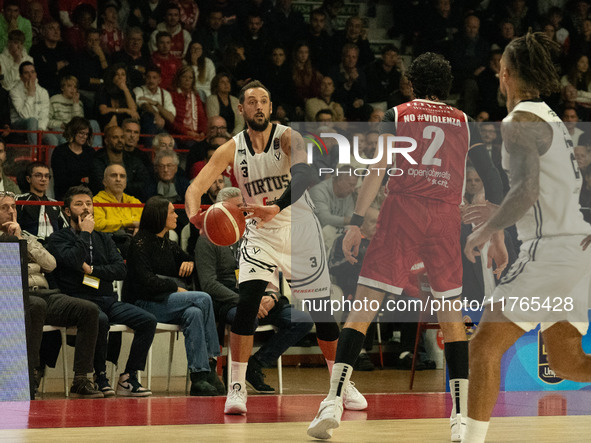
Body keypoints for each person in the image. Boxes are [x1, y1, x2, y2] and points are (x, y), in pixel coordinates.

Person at [307, 52, 505, 441]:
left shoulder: (396, 114)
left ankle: (332, 401)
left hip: (402, 212)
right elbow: (494, 182)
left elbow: (378, 168)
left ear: (410, 84)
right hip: (447, 216)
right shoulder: (466, 122)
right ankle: (462, 418)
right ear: (447, 86)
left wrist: (355, 222)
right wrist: (494, 230)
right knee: (452, 315)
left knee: (363, 303)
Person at [185, 80, 367, 415]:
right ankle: (237, 388)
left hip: (298, 227)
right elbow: (196, 186)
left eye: (264, 101)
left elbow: (304, 175)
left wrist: (277, 206)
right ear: (241, 109)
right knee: (248, 302)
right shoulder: (231, 148)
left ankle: (341, 384)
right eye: (251, 101)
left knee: (322, 314)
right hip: (259, 230)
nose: (258, 106)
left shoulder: (288, 137)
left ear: (270, 107)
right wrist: (194, 216)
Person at [462, 32, 591, 443]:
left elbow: (527, 191)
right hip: (576, 252)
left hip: (549, 250)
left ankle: (471, 440)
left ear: (504, 75)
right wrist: (501, 215)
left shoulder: (518, 121)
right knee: (569, 362)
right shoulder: (552, 118)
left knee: (482, 348)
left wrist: (487, 228)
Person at [197, 186, 314, 393]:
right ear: (220, 209)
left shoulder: (256, 229)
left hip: (261, 299)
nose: (240, 213)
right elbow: (209, 283)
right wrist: (246, 301)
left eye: (242, 208)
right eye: (233, 209)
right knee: (247, 317)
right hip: (229, 302)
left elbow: (273, 266)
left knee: (302, 320)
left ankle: (256, 364)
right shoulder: (208, 238)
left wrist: (272, 295)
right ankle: (237, 376)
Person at [47, 185, 156, 397]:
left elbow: (120, 269)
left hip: (108, 298)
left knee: (148, 320)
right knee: (100, 319)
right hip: (79, 300)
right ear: (67, 211)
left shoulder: (104, 238)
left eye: (89, 203)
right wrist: (85, 233)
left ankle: (129, 377)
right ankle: (100, 376)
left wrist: (93, 270)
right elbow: (73, 260)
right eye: (79, 204)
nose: (86, 208)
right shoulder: (58, 239)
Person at [1, 189, 103, 398]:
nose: (11, 211)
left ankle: (81, 379)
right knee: (36, 306)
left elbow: (50, 264)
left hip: (44, 293)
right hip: (11, 297)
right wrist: (13, 242)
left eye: (13, 207)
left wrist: (22, 239)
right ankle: (29, 377)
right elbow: (10, 275)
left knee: (89, 310)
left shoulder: (26, 236)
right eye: (4, 208)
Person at [125, 195, 224, 396]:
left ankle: (198, 377)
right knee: (203, 299)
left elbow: (186, 258)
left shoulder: (167, 243)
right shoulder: (139, 243)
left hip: (164, 302)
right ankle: (211, 360)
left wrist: (190, 262)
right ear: (159, 215)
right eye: (171, 211)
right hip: (144, 304)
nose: (176, 215)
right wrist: (173, 287)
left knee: (195, 313)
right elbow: (146, 282)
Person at [89, 125, 150, 201]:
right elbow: (99, 185)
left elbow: (144, 183)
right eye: (115, 137)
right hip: (105, 201)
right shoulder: (98, 159)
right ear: (106, 141)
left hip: (130, 201)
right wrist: (125, 186)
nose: (120, 140)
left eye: (122, 137)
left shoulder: (133, 160)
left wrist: (119, 186)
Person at [16, 161, 68, 241]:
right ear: (28, 179)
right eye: (38, 175)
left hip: (54, 248)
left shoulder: (55, 204)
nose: (43, 179)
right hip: (29, 247)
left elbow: (66, 229)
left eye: (46, 176)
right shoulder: (19, 200)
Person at [51, 117, 96, 201]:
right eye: (81, 133)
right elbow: (60, 179)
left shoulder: (90, 152)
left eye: (86, 134)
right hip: (65, 196)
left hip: (87, 195)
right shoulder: (60, 151)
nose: (84, 136)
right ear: (73, 132)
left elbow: (94, 177)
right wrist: (82, 179)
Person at [9, 61, 52, 147]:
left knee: (53, 139)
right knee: (32, 121)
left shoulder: (43, 92)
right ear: (21, 77)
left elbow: (44, 114)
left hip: (38, 126)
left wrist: (40, 129)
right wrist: (31, 94)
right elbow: (25, 115)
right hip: (19, 125)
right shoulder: (14, 91)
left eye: (32, 72)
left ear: (36, 74)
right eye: (26, 73)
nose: (30, 75)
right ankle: (34, 153)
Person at [133, 65, 176, 140]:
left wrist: (156, 104)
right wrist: (156, 115)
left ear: (159, 80)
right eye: (148, 77)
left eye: (154, 78)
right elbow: (144, 105)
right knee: (148, 117)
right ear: (145, 78)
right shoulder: (139, 90)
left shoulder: (165, 94)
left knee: (171, 144)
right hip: (143, 127)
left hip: (160, 129)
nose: (151, 80)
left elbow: (171, 118)